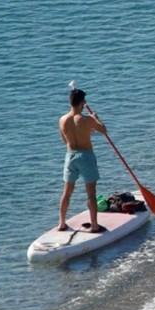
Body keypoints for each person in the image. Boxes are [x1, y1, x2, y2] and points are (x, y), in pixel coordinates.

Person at [58, 88, 108, 233]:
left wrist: (85, 130)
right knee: (91, 193)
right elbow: (104, 130)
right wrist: (95, 118)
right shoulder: (87, 120)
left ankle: (61, 223)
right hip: (86, 156)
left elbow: (64, 140)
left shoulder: (62, 120)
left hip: (70, 156)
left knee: (67, 192)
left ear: (70, 102)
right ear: (82, 103)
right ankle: (94, 226)